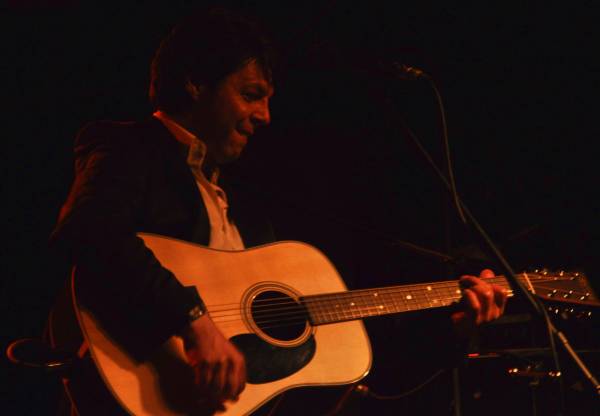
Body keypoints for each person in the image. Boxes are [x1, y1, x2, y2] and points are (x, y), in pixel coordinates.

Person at [47, 7, 507, 415]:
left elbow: (354, 364)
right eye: (251, 94)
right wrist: (194, 324)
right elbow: (90, 231)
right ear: (194, 82)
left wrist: (455, 329)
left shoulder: (246, 211)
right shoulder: (127, 148)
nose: (265, 115)